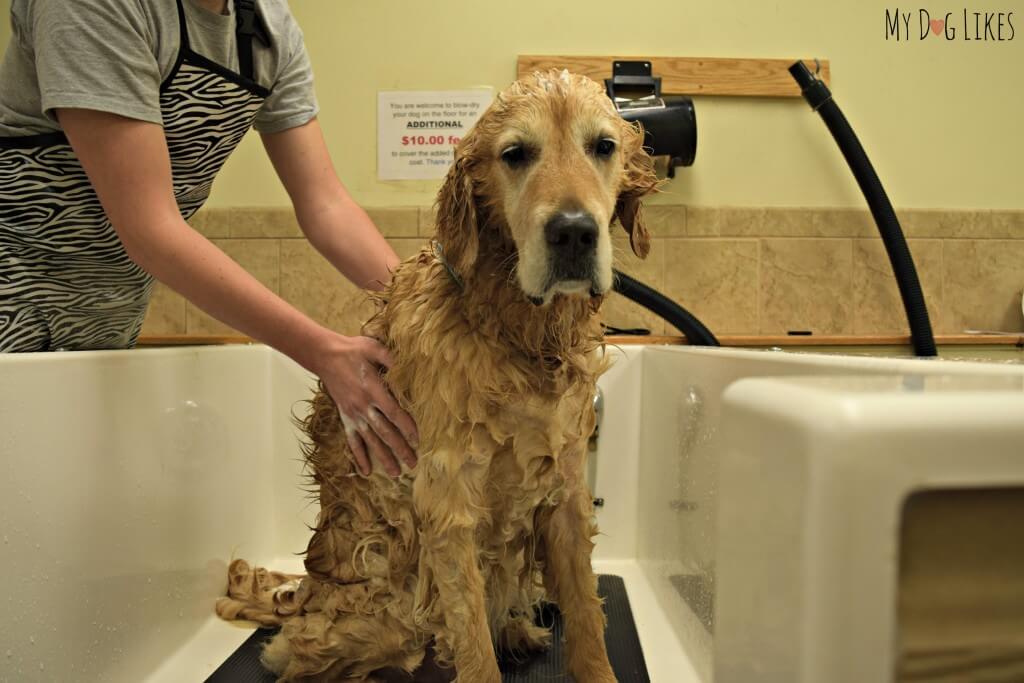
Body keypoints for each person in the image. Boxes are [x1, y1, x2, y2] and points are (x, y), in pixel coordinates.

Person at [0, 0, 416, 476]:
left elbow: (326, 206)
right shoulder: (91, 6)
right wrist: (324, 353)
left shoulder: (268, 30)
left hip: (106, 322)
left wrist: (422, 308)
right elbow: (151, 230)